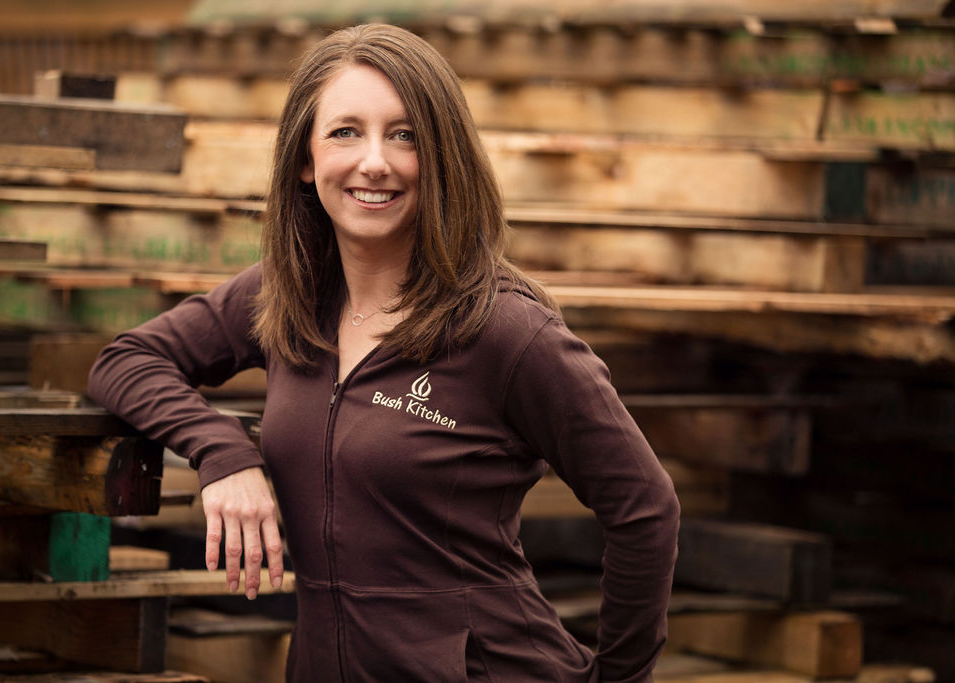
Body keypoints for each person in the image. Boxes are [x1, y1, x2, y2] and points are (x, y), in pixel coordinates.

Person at [88, 23, 679, 683]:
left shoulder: (507, 329)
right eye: (345, 132)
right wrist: (221, 451)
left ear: (444, 156)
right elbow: (126, 361)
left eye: (405, 135)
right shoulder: (287, 295)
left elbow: (644, 507)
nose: (375, 161)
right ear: (305, 160)